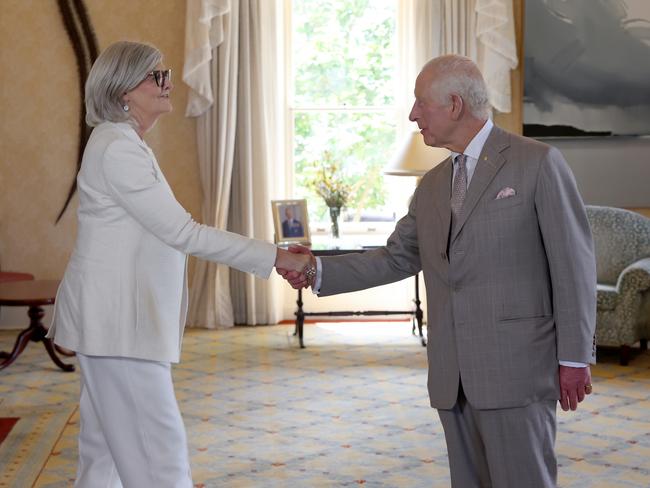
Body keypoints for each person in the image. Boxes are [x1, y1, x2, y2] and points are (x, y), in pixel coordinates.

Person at [280, 55, 597, 487]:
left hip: (516, 368)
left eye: (419, 103)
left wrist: (575, 358)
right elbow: (395, 258)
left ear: (453, 104)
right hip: (453, 376)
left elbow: (573, 265)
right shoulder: (430, 186)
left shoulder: (537, 162)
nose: (413, 115)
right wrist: (316, 269)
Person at [46, 41, 310, 488]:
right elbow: (185, 233)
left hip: (110, 322)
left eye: (165, 73)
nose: (168, 84)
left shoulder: (122, 142)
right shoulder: (119, 149)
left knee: (105, 453)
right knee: (156, 453)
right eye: (157, 76)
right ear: (124, 90)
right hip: (119, 326)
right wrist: (278, 256)